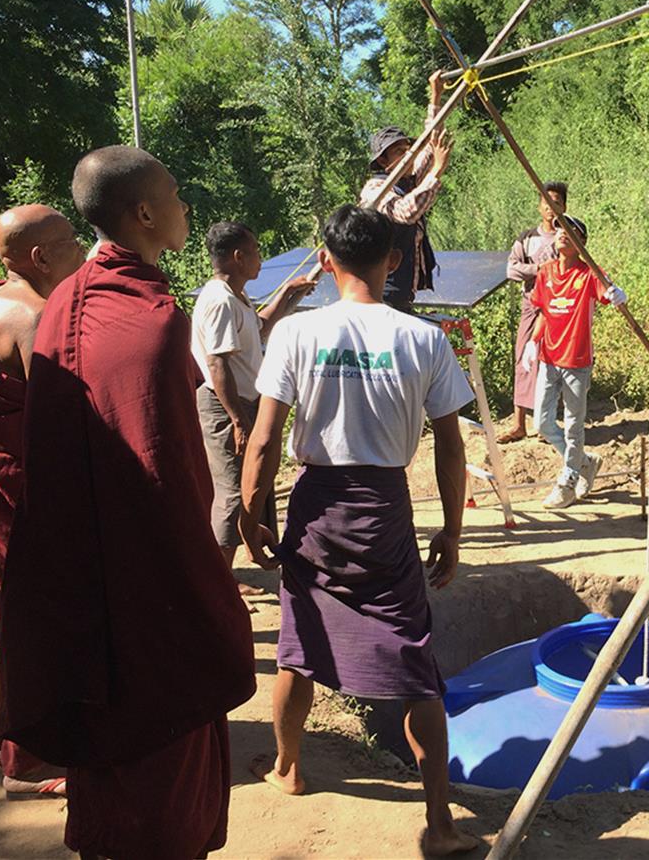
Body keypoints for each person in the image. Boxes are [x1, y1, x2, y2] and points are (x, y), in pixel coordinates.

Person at [0, 146, 256, 858]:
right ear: (143, 213)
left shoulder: (72, 301)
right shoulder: (151, 319)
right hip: (144, 602)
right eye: (174, 194)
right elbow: (168, 482)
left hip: (83, 589)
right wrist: (206, 598)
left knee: (112, 780)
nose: (183, 206)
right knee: (162, 796)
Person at [239, 204, 479, 856]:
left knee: (299, 644)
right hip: (384, 509)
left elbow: (263, 440)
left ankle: (289, 769)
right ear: (394, 260)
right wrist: (453, 528)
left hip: (316, 508)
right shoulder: (422, 338)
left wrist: (251, 511)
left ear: (324, 262)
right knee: (415, 662)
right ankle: (441, 823)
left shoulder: (295, 333)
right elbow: (451, 448)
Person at [0, 205, 83, 796]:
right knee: (40, 629)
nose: (81, 249)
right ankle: (30, 760)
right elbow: (65, 432)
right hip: (26, 507)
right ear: (40, 257)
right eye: (70, 241)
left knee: (16, 627)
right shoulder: (35, 318)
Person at [191, 221, 314, 597]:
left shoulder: (236, 296)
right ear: (238, 257)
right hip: (226, 406)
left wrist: (288, 294)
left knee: (253, 484)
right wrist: (238, 420)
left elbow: (259, 328)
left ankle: (245, 560)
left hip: (245, 403)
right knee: (231, 492)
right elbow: (217, 364)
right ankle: (218, 584)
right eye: (256, 251)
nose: (261, 258)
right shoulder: (219, 301)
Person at [522, 216, 627, 509]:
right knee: (542, 422)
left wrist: (618, 295)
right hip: (549, 358)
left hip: (576, 361)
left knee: (573, 426)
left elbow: (610, 294)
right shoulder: (546, 272)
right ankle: (584, 462)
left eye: (570, 231)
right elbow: (543, 311)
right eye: (558, 230)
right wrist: (533, 342)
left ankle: (567, 482)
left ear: (581, 241)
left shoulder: (589, 273)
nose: (562, 234)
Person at [360, 71, 452, 311]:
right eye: (400, 152)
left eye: (407, 149)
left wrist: (436, 96)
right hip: (381, 293)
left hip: (401, 292)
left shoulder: (408, 180)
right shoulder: (375, 189)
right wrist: (438, 169)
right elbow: (405, 212)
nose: (408, 156)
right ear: (383, 161)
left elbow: (431, 146)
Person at [500, 181, 568, 444]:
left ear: (564, 206)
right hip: (532, 305)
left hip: (559, 308)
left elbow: (570, 267)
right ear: (540, 206)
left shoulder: (567, 236)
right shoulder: (528, 238)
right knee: (524, 359)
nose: (551, 209)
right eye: (547, 202)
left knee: (553, 365)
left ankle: (545, 424)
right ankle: (519, 423)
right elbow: (512, 269)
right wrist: (540, 269)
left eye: (557, 203)